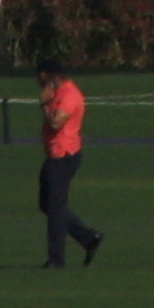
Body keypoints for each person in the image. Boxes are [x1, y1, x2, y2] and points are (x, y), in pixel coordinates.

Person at [38, 69, 104, 267]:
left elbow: (57, 123)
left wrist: (44, 103)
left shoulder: (69, 95)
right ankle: (88, 237)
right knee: (46, 204)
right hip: (54, 155)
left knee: (55, 208)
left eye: (42, 80)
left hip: (63, 156)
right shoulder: (57, 94)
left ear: (52, 77)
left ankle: (56, 259)